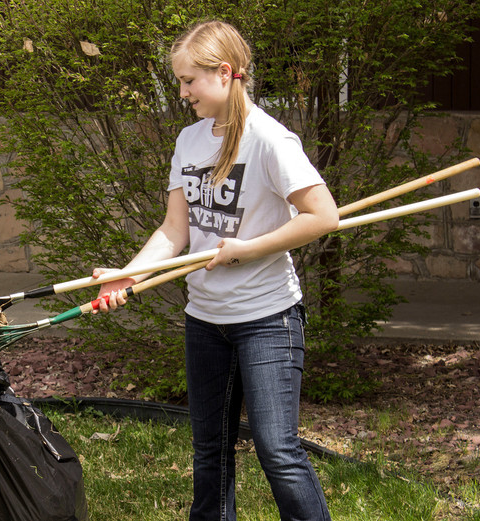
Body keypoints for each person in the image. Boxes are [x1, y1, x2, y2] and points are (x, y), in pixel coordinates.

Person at [93, 21, 337, 520]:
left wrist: (248, 248)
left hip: (268, 318)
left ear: (225, 74)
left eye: (189, 81)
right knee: (210, 452)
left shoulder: (270, 139)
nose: (182, 93)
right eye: (180, 82)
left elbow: (323, 216)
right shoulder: (189, 140)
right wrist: (129, 275)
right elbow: (174, 229)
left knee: (278, 452)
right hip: (205, 318)